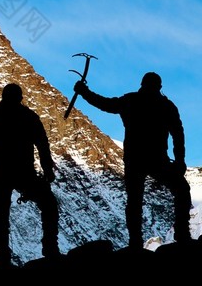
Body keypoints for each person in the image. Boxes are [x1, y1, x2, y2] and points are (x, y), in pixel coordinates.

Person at [74, 71, 192, 248]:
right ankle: (182, 234)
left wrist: (84, 92)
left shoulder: (130, 101)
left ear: (142, 84)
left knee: (135, 200)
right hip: (157, 159)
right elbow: (178, 134)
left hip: (135, 159)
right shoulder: (166, 106)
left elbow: (105, 104)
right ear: (159, 87)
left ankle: (135, 241)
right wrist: (180, 160)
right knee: (181, 189)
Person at [0, 83, 60, 264]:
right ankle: (50, 247)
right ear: (20, 98)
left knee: (0, 215)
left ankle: (2, 257)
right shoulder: (29, 117)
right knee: (48, 204)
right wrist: (47, 170)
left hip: (0, 172)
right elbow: (42, 145)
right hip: (24, 172)